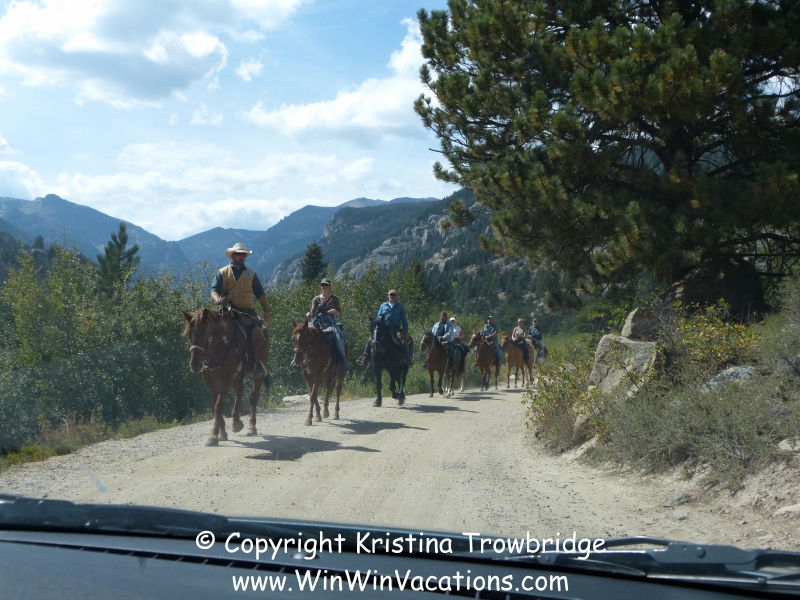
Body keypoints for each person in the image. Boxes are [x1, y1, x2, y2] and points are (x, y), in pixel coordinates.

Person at [210, 242, 270, 323]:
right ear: (232, 256)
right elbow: (214, 290)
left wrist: (265, 310)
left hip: (246, 312)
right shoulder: (222, 272)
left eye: (243, 255)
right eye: (238, 254)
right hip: (226, 311)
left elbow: (260, 293)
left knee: (258, 329)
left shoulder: (251, 274)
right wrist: (217, 299)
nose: (241, 257)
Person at [357, 289, 412, 366]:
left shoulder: (400, 306)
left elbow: (404, 320)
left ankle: (408, 357)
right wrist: (382, 318)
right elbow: (378, 316)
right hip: (384, 328)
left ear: (396, 296)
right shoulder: (383, 305)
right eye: (390, 295)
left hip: (395, 329)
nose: (392, 296)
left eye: (393, 295)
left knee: (403, 340)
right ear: (388, 296)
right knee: (371, 339)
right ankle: (365, 357)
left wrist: (406, 331)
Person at [306, 277, 347, 373]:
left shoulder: (335, 299)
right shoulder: (316, 299)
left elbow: (340, 314)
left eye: (326, 285)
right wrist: (309, 314)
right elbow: (313, 312)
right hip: (318, 320)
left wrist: (335, 311)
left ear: (330, 286)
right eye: (322, 285)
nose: (324, 286)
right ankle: (298, 359)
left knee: (339, 338)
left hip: (330, 321)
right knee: (304, 333)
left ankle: (343, 361)